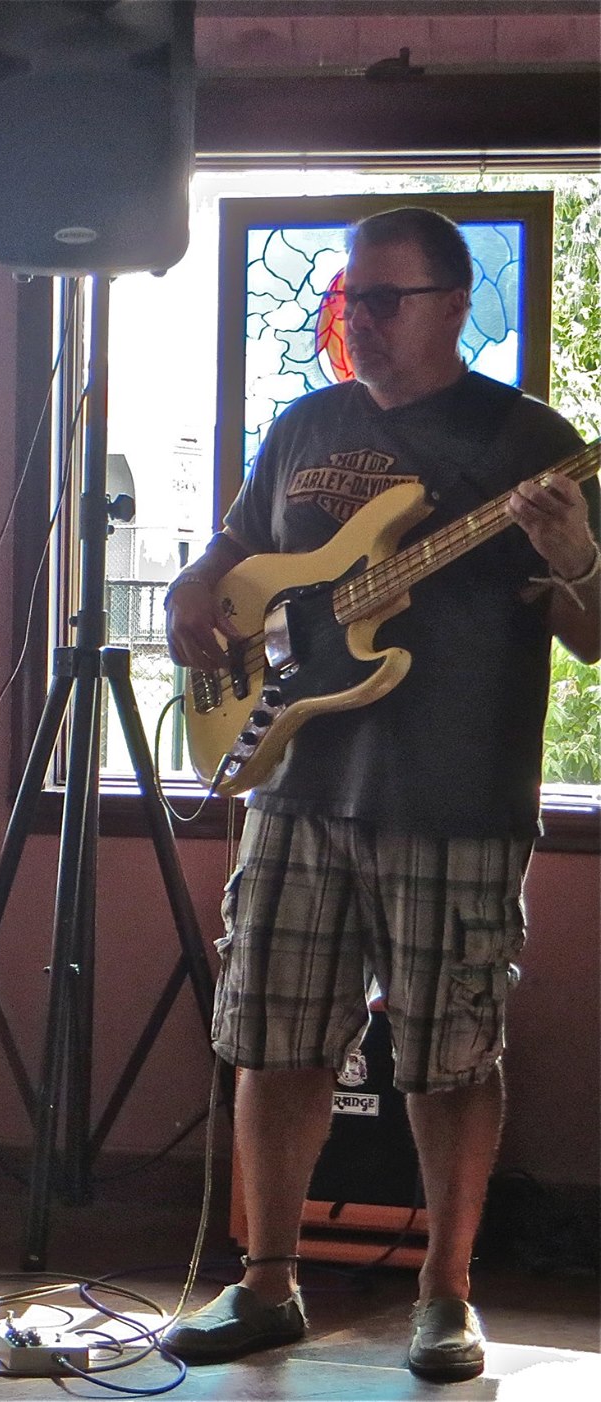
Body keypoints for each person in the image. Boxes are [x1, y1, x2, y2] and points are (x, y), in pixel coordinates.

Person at [161, 207, 599, 1382]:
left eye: (385, 300)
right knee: (272, 1036)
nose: (360, 318)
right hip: (296, 779)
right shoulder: (306, 424)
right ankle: (266, 1285)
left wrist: (571, 557)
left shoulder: (529, 441)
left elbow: (594, 637)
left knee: (449, 1052)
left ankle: (444, 1299)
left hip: (454, 792)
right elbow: (239, 550)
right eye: (350, 299)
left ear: (456, 305)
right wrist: (190, 590)